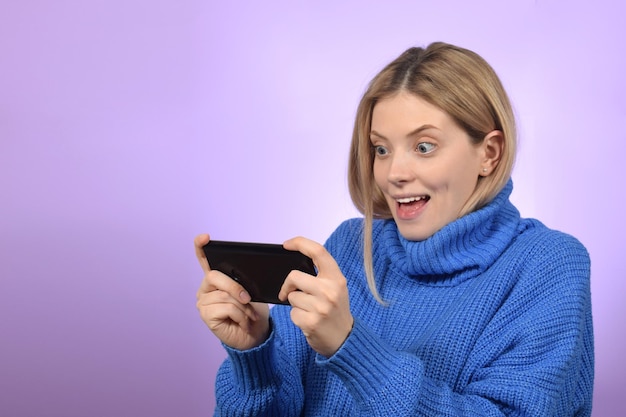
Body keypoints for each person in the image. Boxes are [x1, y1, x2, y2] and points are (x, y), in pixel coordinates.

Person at [194, 42, 594, 416]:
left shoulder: (547, 265)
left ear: (489, 153)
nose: (394, 174)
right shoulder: (351, 246)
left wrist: (350, 347)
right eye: (381, 149)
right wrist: (254, 353)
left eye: (424, 147)